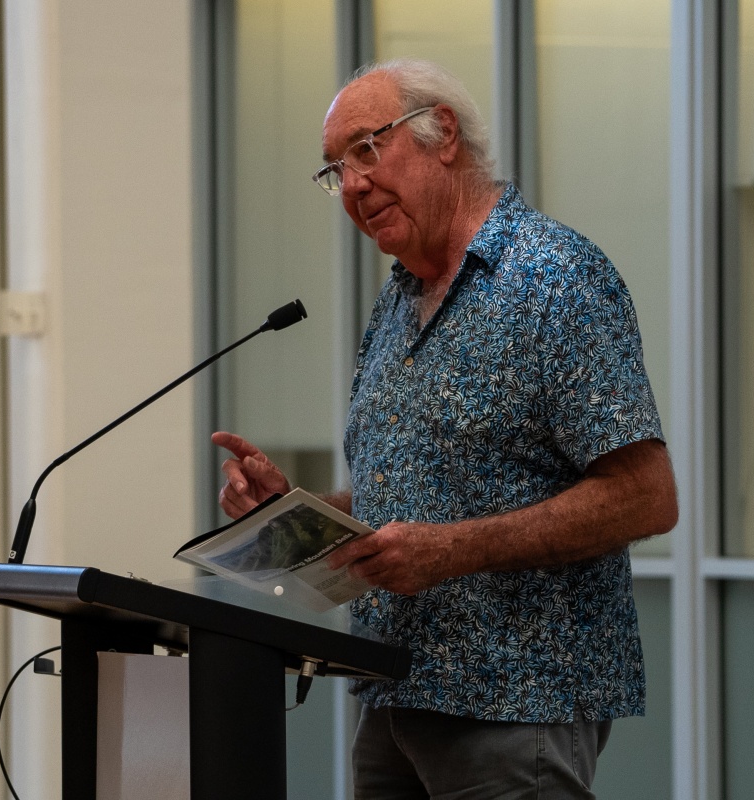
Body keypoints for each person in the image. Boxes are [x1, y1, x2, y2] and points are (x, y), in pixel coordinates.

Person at [214, 58, 678, 799]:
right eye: (335, 170)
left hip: (516, 705)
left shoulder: (554, 278)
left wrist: (452, 551)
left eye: (367, 149)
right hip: (394, 693)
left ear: (444, 135)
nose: (354, 184)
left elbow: (645, 498)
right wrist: (295, 515)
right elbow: (409, 498)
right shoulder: (400, 298)